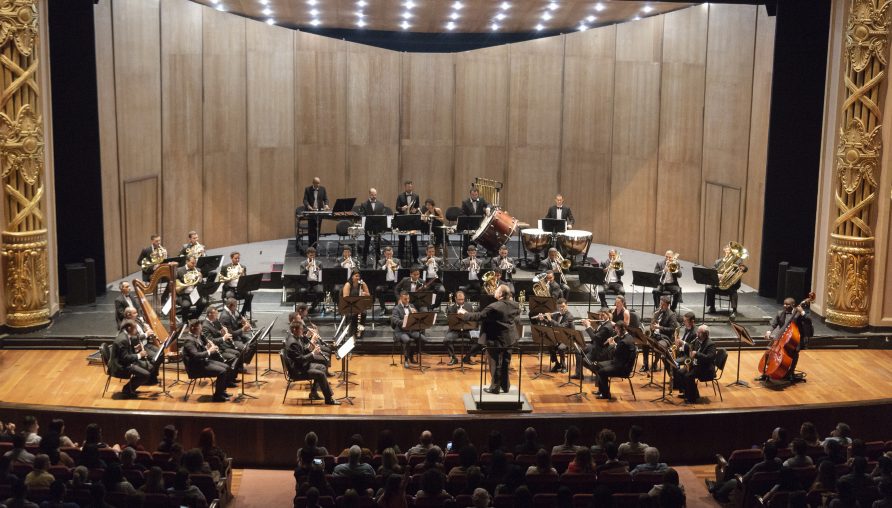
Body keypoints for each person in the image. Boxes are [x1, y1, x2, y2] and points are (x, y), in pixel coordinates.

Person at [458, 285, 521, 394]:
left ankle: (495, 388)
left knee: (494, 363)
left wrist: (465, 314)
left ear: (500, 294)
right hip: (509, 338)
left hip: (495, 338)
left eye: (496, 290)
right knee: (506, 362)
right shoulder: (515, 305)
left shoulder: (493, 307)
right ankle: (506, 386)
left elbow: (479, 316)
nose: (494, 291)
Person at [757, 295, 813, 383]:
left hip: (794, 339)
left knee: (795, 353)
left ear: (793, 305)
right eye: (784, 304)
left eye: (787, 305)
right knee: (769, 351)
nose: (785, 306)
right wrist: (769, 331)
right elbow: (773, 325)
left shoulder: (798, 314)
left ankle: (791, 372)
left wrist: (802, 312)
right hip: (780, 337)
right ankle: (765, 373)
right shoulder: (780, 313)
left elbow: (809, 320)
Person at [285, 321, 339, 405]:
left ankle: (313, 393)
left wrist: (311, 347)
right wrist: (313, 353)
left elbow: (303, 351)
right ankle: (329, 399)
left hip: (302, 366)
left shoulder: (296, 338)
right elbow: (301, 359)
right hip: (298, 371)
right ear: (294, 329)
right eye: (301, 329)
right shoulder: (293, 343)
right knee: (320, 374)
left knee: (322, 367)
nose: (303, 331)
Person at [181, 319, 235, 402]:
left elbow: (202, 348)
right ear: (193, 328)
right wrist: (209, 351)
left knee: (227, 367)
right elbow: (196, 355)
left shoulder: (199, 335)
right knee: (222, 372)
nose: (201, 328)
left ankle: (221, 391)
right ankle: (218, 396)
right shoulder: (189, 341)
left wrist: (209, 346)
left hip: (203, 362)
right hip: (195, 368)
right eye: (199, 327)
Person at [112, 319, 159, 398]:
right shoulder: (122, 339)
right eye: (135, 328)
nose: (137, 331)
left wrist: (136, 349)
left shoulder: (126, 335)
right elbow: (125, 358)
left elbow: (126, 352)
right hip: (120, 366)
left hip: (125, 361)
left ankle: (131, 387)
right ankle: (127, 389)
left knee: (150, 367)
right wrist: (139, 355)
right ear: (129, 328)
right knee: (146, 375)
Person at [590, 321, 637, 400]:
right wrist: (615, 345)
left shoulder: (624, 341)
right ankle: (601, 391)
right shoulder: (628, 337)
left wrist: (612, 345)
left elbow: (614, 355)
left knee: (601, 372)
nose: (616, 331)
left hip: (623, 368)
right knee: (598, 365)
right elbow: (620, 352)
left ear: (623, 329)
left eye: (617, 330)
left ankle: (605, 394)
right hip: (619, 362)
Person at [676, 324, 717, 404]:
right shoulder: (697, 341)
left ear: (706, 334)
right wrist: (683, 344)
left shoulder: (711, 344)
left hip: (706, 368)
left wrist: (697, 354)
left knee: (688, 376)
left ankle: (692, 398)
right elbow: (691, 347)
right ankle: (687, 393)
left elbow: (709, 358)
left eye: (699, 333)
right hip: (696, 365)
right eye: (697, 332)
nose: (697, 334)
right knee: (680, 372)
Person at [706, 243, 747, 316]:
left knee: (734, 291)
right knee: (709, 288)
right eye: (727, 249)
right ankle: (712, 307)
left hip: (730, 286)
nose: (729, 251)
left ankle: (734, 310)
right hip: (718, 285)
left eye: (731, 250)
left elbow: (743, 268)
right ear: (724, 250)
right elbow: (712, 271)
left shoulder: (737, 261)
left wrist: (742, 269)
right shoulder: (718, 261)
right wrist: (717, 275)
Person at [573, 310, 616, 380]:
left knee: (584, 360)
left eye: (603, 315)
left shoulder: (607, 327)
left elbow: (594, 338)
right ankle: (579, 374)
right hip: (596, 347)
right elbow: (596, 334)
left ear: (608, 315)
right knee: (579, 351)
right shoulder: (603, 323)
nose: (601, 317)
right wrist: (588, 326)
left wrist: (588, 326)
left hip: (601, 350)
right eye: (600, 315)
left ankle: (600, 374)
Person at [202, 307, 246, 374]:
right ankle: (229, 376)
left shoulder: (215, 320)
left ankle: (233, 376)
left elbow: (220, 330)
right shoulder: (205, 326)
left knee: (238, 353)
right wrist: (223, 338)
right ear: (209, 314)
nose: (217, 316)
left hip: (222, 346)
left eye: (217, 314)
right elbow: (210, 341)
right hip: (215, 351)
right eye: (215, 314)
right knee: (233, 357)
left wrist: (224, 331)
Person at [640, 296, 677, 372]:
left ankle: (655, 364)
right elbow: (653, 322)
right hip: (655, 335)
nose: (660, 306)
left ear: (667, 305)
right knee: (645, 342)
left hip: (665, 337)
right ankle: (645, 364)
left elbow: (672, 330)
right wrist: (652, 326)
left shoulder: (671, 315)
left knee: (659, 345)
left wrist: (660, 328)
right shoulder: (658, 311)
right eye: (660, 304)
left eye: (662, 304)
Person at [391, 291, 427, 368]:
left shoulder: (411, 306)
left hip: (411, 330)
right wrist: (406, 321)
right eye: (405, 299)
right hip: (401, 331)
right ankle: (406, 360)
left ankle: (411, 354)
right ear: (400, 298)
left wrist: (416, 314)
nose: (407, 301)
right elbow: (395, 320)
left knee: (423, 339)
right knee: (407, 340)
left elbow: (417, 319)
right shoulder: (396, 309)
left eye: (408, 299)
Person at [443, 291, 479, 366]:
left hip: (467, 329)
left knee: (480, 340)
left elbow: (474, 319)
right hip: (455, 330)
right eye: (459, 300)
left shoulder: (469, 306)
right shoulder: (450, 308)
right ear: (455, 299)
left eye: (462, 299)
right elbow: (449, 322)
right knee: (446, 340)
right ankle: (453, 358)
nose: (461, 301)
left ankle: (468, 357)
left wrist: (467, 314)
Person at [219, 252, 253, 317]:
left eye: (238, 258)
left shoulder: (243, 267)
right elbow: (221, 279)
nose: (237, 260)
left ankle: (242, 313)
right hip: (230, 288)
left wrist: (243, 275)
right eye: (235, 258)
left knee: (250, 295)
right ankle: (233, 314)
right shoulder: (225, 267)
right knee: (230, 296)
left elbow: (245, 280)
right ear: (231, 258)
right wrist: (229, 279)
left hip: (240, 289)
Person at [395, 180, 421, 264]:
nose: (409, 187)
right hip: (403, 219)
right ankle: (400, 258)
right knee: (401, 239)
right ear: (405, 187)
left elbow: (417, 207)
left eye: (410, 186)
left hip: (412, 220)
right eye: (408, 186)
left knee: (414, 240)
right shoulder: (400, 196)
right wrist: (402, 208)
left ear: (412, 186)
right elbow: (397, 207)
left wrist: (415, 210)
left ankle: (416, 258)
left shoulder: (416, 196)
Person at [175, 255, 207, 320]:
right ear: (187, 261)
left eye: (195, 263)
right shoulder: (179, 270)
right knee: (185, 305)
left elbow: (201, 284)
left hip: (194, 294)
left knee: (204, 302)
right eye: (192, 263)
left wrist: (200, 278)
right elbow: (175, 284)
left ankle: (193, 317)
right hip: (183, 294)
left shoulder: (198, 270)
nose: (194, 265)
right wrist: (185, 284)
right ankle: (185, 321)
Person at [358, 188, 385, 265]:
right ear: (369, 194)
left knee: (378, 244)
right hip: (368, 226)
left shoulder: (381, 204)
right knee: (366, 243)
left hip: (378, 227)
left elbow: (383, 215)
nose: (374, 196)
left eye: (375, 194)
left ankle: (378, 260)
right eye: (372, 195)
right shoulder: (364, 204)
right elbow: (362, 214)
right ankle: (364, 260)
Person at [460, 187, 490, 254]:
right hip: (469, 226)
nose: (474, 196)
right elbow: (462, 213)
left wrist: (488, 208)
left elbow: (488, 204)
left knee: (475, 243)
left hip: (479, 225)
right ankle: (465, 257)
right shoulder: (465, 202)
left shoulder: (481, 200)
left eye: (476, 195)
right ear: (470, 194)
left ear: (478, 194)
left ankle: (474, 258)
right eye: (473, 195)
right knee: (466, 244)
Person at [302, 176, 329, 249]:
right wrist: (308, 206)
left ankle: (316, 246)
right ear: (313, 183)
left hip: (319, 212)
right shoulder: (307, 189)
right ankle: (311, 246)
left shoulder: (323, 189)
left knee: (318, 230)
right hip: (311, 212)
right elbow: (305, 200)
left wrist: (326, 205)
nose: (318, 185)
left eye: (319, 183)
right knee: (311, 231)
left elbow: (326, 199)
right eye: (316, 183)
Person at [342, 271, 370, 339]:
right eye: (356, 276)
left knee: (364, 313)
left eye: (359, 276)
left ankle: (360, 332)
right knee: (353, 314)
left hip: (359, 305)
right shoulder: (348, 284)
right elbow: (345, 298)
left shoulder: (362, 284)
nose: (358, 278)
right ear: (352, 277)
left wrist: (364, 294)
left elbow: (368, 295)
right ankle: (352, 333)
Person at [377, 246, 401, 313]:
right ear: (384, 254)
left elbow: (401, 270)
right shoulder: (380, 262)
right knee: (378, 289)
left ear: (392, 253)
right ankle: (383, 308)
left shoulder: (397, 261)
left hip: (395, 282)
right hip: (385, 283)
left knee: (399, 289)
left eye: (390, 253)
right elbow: (377, 271)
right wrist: (385, 265)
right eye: (387, 254)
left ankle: (397, 308)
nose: (389, 255)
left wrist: (393, 264)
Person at [300, 247, 324, 311]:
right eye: (310, 255)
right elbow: (301, 274)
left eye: (313, 255)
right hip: (307, 283)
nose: (312, 257)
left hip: (316, 283)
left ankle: (313, 307)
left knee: (320, 292)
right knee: (303, 291)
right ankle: (304, 307)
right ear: (307, 255)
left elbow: (322, 276)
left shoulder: (319, 263)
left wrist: (319, 271)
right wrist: (307, 267)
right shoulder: (303, 263)